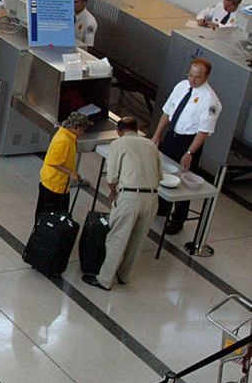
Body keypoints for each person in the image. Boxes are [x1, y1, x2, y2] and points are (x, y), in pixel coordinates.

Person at [84, 117, 161, 291]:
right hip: (152, 198)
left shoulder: (118, 145)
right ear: (137, 128)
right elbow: (160, 176)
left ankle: (104, 280)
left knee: (117, 238)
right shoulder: (151, 145)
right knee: (138, 239)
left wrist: (113, 191)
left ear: (119, 131)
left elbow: (111, 177)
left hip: (130, 197)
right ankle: (124, 275)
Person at [151, 58, 221, 234]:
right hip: (172, 136)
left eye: (197, 77)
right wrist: (157, 135)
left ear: (206, 76)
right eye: (190, 75)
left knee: (184, 180)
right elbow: (167, 112)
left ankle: (178, 219)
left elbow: (203, 131)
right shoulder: (182, 86)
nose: (192, 79)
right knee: (163, 171)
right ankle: (162, 207)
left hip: (188, 142)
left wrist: (190, 152)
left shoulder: (209, 100)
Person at [36, 111, 91, 222]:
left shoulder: (69, 136)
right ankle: (44, 234)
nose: (83, 132)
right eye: (82, 129)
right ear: (75, 128)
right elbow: (53, 162)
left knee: (58, 214)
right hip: (53, 185)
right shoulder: (63, 140)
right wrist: (71, 173)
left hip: (61, 185)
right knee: (48, 215)